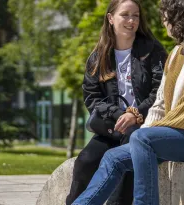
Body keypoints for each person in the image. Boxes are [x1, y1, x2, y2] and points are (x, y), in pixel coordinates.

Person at [71, 0, 184, 204]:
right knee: (113, 157)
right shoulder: (178, 53)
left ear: (181, 19)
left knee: (142, 138)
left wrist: (145, 133)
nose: (163, 21)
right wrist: (148, 129)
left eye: (167, 16)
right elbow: (160, 102)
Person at [65, 0, 168, 205]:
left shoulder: (152, 50)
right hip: (112, 126)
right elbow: (92, 97)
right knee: (85, 161)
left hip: (143, 126)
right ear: (111, 18)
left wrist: (134, 113)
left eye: (136, 15)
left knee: (127, 159)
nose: (131, 20)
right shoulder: (98, 57)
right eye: (125, 15)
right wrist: (117, 114)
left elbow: (161, 91)